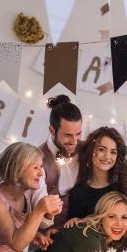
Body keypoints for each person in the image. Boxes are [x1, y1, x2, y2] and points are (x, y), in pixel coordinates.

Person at [30, 95, 84, 229]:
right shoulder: (36, 160)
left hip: (82, 233)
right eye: (67, 135)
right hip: (47, 238)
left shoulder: (86, 149)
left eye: (78, 134)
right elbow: (40, 218)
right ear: (52, 130)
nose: (74, 141)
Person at [67, 126, 127, 221]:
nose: (107, 156)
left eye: (113, 152)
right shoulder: (78, 193)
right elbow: (74, 229)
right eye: (101, 149)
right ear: (90, 151)